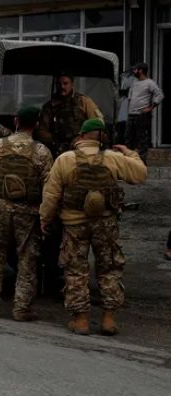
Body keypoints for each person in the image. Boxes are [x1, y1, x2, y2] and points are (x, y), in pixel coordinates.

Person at [39, 118, 147, 336]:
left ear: (81, 136)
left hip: (74, 224)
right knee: (109, 269)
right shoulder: (113, 158)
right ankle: (108, 319)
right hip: (105, 224)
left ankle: (81, 321)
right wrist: (130, 153)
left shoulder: (65, 159)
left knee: (76, 271)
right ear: (102, 137)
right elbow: (140, 174)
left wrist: (45, 218)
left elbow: (51, 195)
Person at [0, 106, 54, 321]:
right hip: (27, 212)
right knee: (27, 260)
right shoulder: (41, 152)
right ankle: (21, 308)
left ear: (15, 121)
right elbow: (49, 185)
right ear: (36, 124)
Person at [34, 72, 103, 157]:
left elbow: (98, 124)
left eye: (65, 83)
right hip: (57, 149)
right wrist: (55, 140)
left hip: (81, 148)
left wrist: (81, 138)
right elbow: (41, 131)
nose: (62, 87)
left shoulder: (83, 102)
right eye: (59, 84)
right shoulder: (49, 106)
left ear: (72, 84)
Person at [126, 62, 164, 159]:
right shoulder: (134, 83)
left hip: (141, 115)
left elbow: (160, 95)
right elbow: (130, 98)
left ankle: (142, 161)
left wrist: (150, 108)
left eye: (135, 69)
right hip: (131, 114)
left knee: (141, 139)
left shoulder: (149, 83)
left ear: (141, 70)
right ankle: (130, 160)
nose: (133, 71)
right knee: (129, 138)